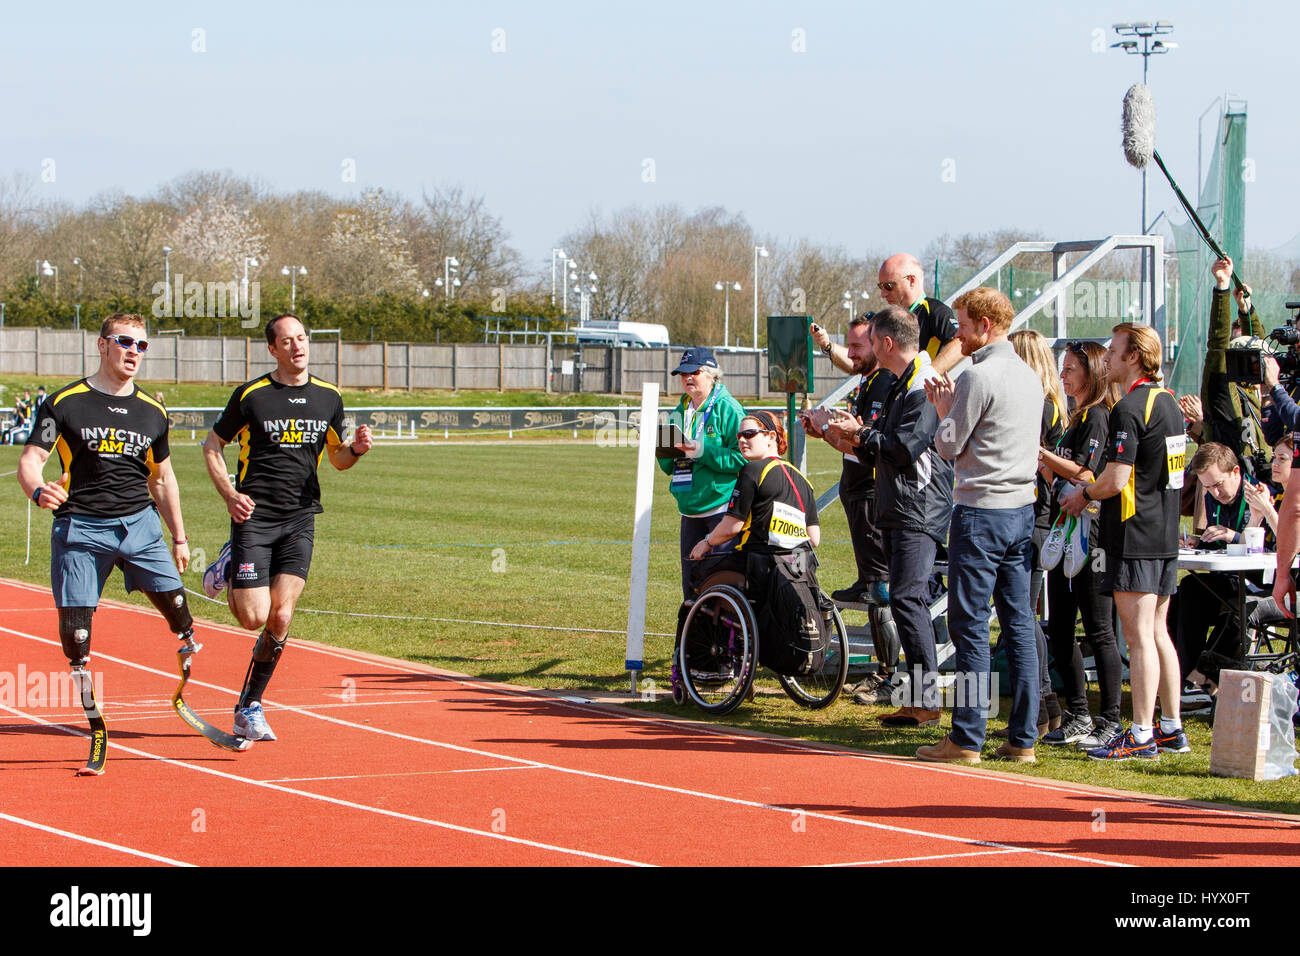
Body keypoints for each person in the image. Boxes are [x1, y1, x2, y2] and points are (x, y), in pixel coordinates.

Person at [16, 314, 194, 772]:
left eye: (142, 345)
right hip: (81, 526)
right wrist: (39, 491)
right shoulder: (64, 403)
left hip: (140, 525)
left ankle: (186, 655)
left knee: (180, 610)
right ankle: (94, 723)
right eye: (125, 342)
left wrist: (179, 535)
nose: (134, 351)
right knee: (76, 636)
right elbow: (31, 460)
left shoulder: (153, 412)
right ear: (102, 345)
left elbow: (165, 478)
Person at [201, 314, 373, 742]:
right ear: (272, 349)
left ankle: (249, 706)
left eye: (301, 339)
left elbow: (336, 458)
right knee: (252, 617)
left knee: (280, 615)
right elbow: (212, 445)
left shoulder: (329, 397)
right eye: (287, 341)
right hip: (253, 517)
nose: (297, 346)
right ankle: (228, 561)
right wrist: (229, 494)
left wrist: (356, 449)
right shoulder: (252, 396)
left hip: (300, 518)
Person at [915, 287, 1042, 764]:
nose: (958, 334)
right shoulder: (1030, 376)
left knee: (969, 624)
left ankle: (966, 737)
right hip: (1020, 511)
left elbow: (947, 446)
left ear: (985, 325)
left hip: (981, 512)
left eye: (964, 324)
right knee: (1019, 623)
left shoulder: (977, 378)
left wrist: (945, 412)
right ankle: (1022, 738)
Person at [1060, 323, 1187, 760]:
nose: (1108, 358)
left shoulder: (1130, 407)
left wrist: (1083, 494)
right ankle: (1170, 726)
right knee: (1158, 632)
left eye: (1114, 351)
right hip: (1165, 533)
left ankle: (1141, 732)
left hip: (1135, 534)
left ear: (1134, 357)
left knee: (1138, 639)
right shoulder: (1169, 402)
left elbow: (1115, 479)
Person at [826, 305, 954, 727]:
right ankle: (919, 700)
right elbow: (883, 448)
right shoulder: (904, 382)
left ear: (886, 342)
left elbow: (905, 447)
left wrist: (861, 433)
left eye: (870, 341)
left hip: (918, 506)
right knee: (904, 598)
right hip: (901, 506)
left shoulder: (922, 382)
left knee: (907, 597)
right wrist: (851, 437)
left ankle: (927, 702)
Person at [806, 314, 900, 703]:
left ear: (879, 345)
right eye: (851, 345)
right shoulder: (869, 381)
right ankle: (885, 673)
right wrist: (826, 430)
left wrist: (831, 431)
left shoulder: (883, 385)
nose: (852, 353)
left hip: (872, 498)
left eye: (859, 346)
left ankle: (889, 677)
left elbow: (867, 449)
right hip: (859, 497)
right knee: (872, 586)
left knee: (881, 591)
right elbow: (855, 444)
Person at [1036, 340, 1124, 749]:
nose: (1064, 375)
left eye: (1071, 368)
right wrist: (1048, 466)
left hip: (1091, 535)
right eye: (1063, 368)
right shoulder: (1075, 417)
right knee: (1059, 628)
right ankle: (1078, 712)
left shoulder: (1099, 417)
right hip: (1063, 529)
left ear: (1091, 373)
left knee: (1099, 628)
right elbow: (1064, 476)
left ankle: (1110, 718)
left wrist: (1043, 455)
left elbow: (1087, 476)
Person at [1171, 442, 1276, 711]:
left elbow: (1271, 549)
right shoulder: (1212, 495)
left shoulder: (1260, 494)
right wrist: (1200, 542)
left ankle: (1203, 677)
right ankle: (1188, 678)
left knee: (1235, 604)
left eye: (1218, 484)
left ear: (1236, 472)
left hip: (1262, 581)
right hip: (1231, 575)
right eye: (1207, 487)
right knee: (1188, 589)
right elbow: (1221, 543)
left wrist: (1235, 536)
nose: (1214, 493)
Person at [1008, 329, 1066, 737]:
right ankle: (1046, 704)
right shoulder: (1051, 403)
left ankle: (1044, 703)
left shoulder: (1040, 405)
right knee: (1024, 615)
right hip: (1038, 515)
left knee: (1023, 616)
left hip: (1034, 516)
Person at [656, 347, 747, 599]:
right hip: (688, 510)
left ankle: (727, 636)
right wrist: (661, 446)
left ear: (711, 375)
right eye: (682, 373)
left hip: (721, 510)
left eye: (693, 372)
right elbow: (666, 467)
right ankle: (693, 636)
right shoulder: (678, 411)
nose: (687, 378)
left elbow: (742, 457)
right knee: (691, 586)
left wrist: (699, 451)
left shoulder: (728, 409)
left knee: (719, 583)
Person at [688, 411, 820, 560]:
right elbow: (814, 538)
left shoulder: (752, 470)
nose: (742, 440)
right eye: (739, 436)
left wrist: (707, 542)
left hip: (762, 565)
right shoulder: (802, 479)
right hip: (800, 568)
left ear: (770, 437)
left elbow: (732, 526)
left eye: (749, 434)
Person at [818, 253, 963, 376]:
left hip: (916, 402)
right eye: (880, 286)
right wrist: (828, 346)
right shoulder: (886, 319)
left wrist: (926, 377)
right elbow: (860, 363)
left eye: (889, 286)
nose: (883, 294)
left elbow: (959, 343)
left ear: (911, 280)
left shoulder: (934, 311)